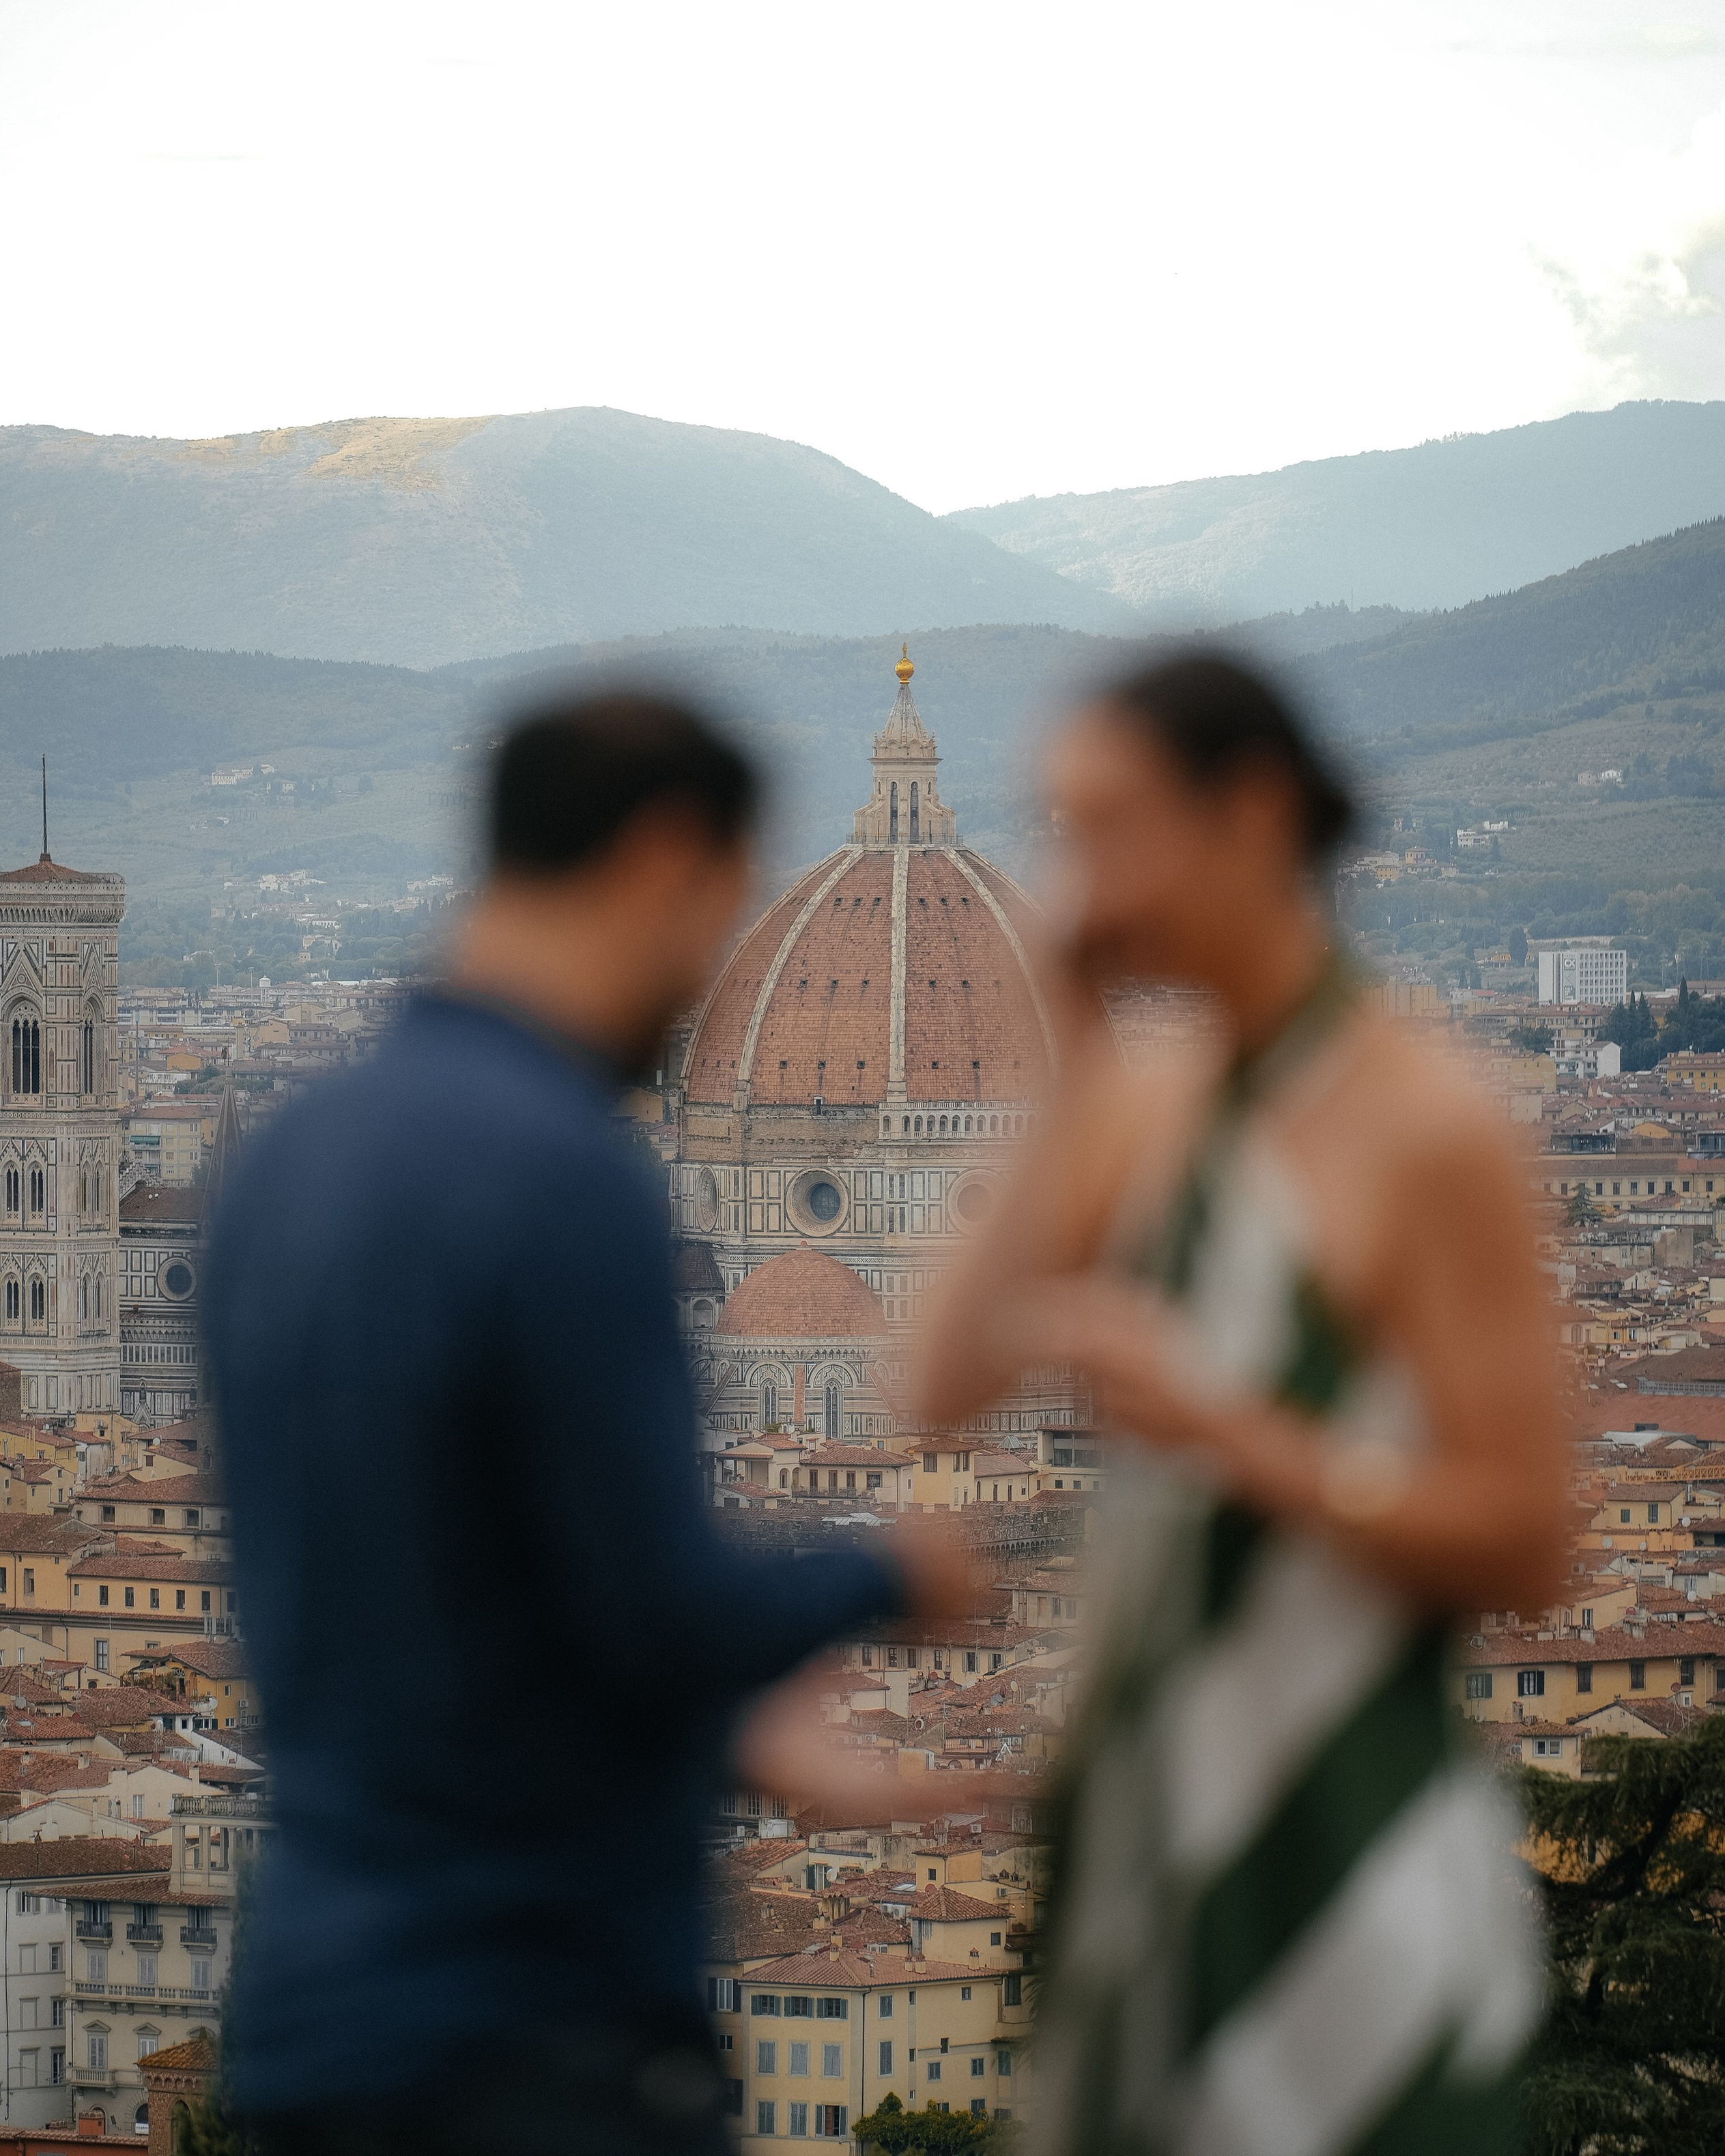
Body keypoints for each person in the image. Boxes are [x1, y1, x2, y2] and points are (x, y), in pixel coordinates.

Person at [204, 691, 960, 2156]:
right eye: (718, 917)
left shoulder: (286, 1158)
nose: (706, 980)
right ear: (666, 858)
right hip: (530, 2025)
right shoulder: (560, 1174)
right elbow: (656, 1609)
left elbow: (449, 1593)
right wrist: (891, 1570)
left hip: (307, 2025)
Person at [921, 651, 1565, 2156]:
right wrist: (1060, 1036)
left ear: (1256, 813)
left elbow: (1530, 1542)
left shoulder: (1426, 1122)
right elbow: (944, 1384)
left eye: (1108, 829)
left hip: (1350, 1843)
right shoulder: (1143, 1101)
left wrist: (1231, 1437)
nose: (1076, 880)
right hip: (1139, 1842)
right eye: (1055, 833)